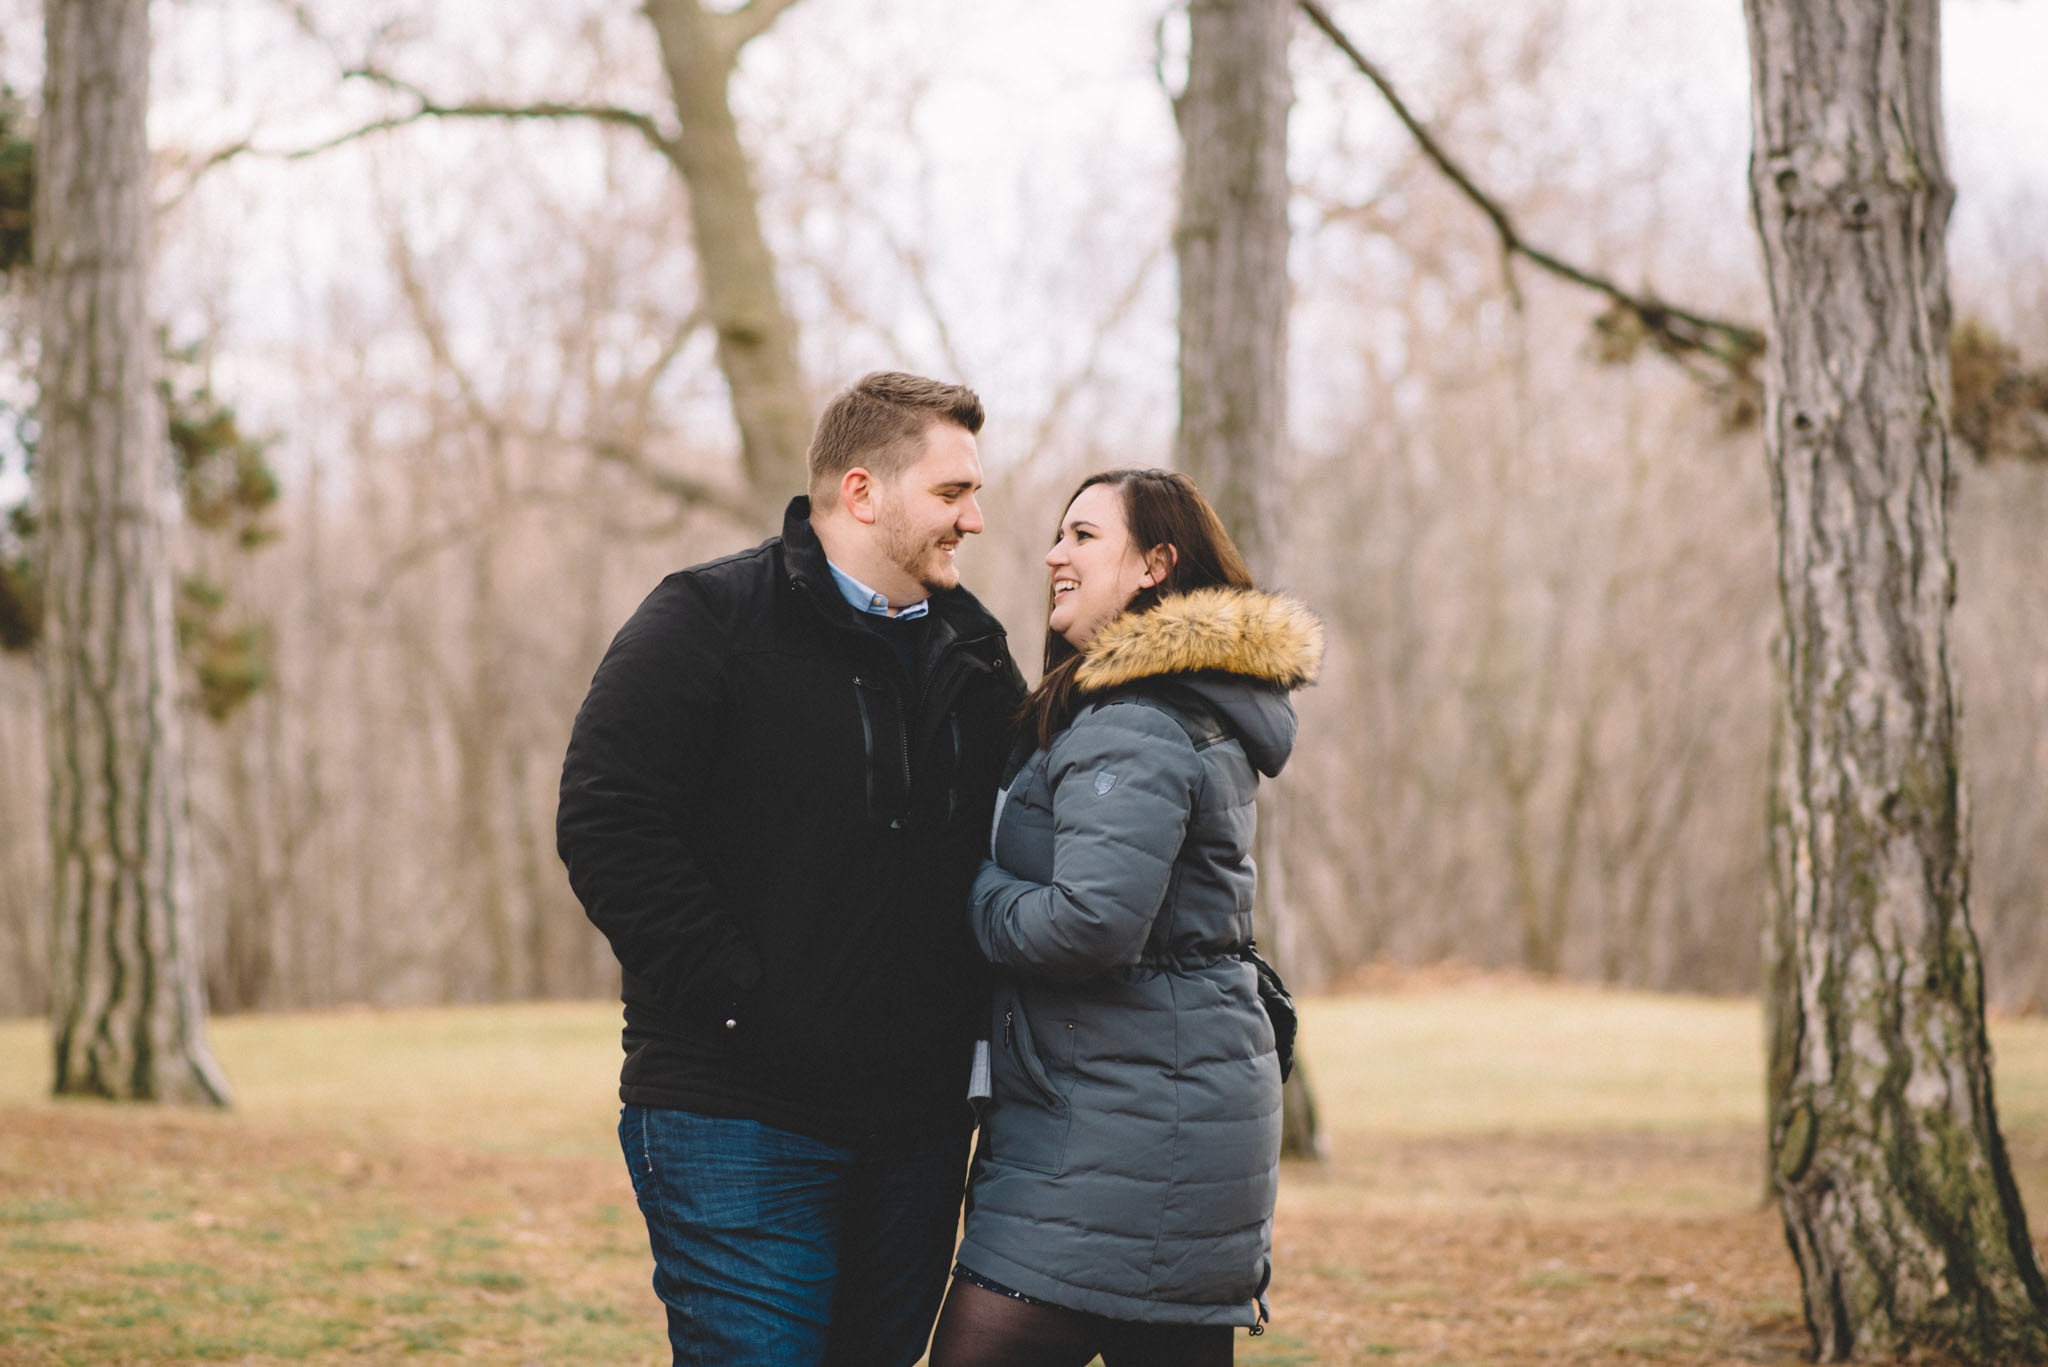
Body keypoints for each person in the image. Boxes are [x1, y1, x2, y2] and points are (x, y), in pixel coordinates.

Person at [557, 372, 1025, 1367]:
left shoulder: (976, 651)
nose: (974, 519)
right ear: (861, 492)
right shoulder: (707, 620)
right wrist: (741, 995)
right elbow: (609, 821)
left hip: (916, 1129)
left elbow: (1020, 846)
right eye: (951, 493)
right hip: (737, 1114)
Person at [928, 468, 1322, 1367]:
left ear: (1155, 565)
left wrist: (973, 888)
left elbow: (1089, 925)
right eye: (1059, 535)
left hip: (1110, 1150)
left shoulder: (1133, 722)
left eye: (1083, 536)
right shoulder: (1168, 707)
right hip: (1155, 1125)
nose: (1053, 554)